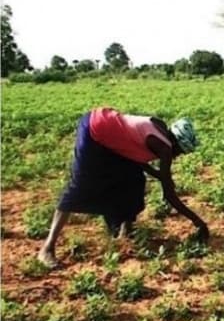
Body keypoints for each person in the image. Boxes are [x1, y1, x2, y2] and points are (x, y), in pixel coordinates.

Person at [37, 107, 209, 267]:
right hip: (94, 130)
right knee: (81, 186)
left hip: (110, 136)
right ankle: (48, 248)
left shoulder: (160, 128)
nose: (177, 156)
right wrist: (199, 222)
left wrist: (161, 176)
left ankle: (124, 232)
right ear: (176, 143)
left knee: (133, 180)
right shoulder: (163, 148)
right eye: (179, 151)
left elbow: (134, 154)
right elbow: (169, 196)